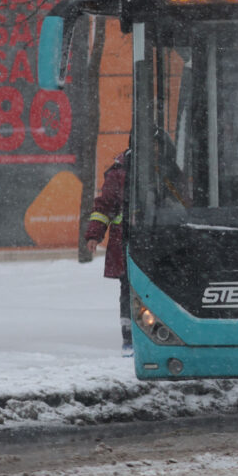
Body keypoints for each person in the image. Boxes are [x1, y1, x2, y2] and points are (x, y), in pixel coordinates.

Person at [85, 151, 132, 356]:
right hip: (125, 244)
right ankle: (129, 338)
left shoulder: (162, 167)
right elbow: (103, 207)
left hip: (142, 243)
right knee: (128, 291)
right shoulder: (119, 172)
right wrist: (93, 235)